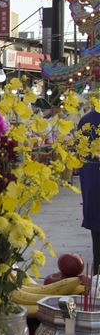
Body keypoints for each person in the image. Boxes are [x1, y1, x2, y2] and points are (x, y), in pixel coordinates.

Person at [79, 107, 100, 275]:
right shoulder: (88, 120)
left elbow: (80, 153)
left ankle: (97, 275)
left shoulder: (86, 119)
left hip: (93, 181)